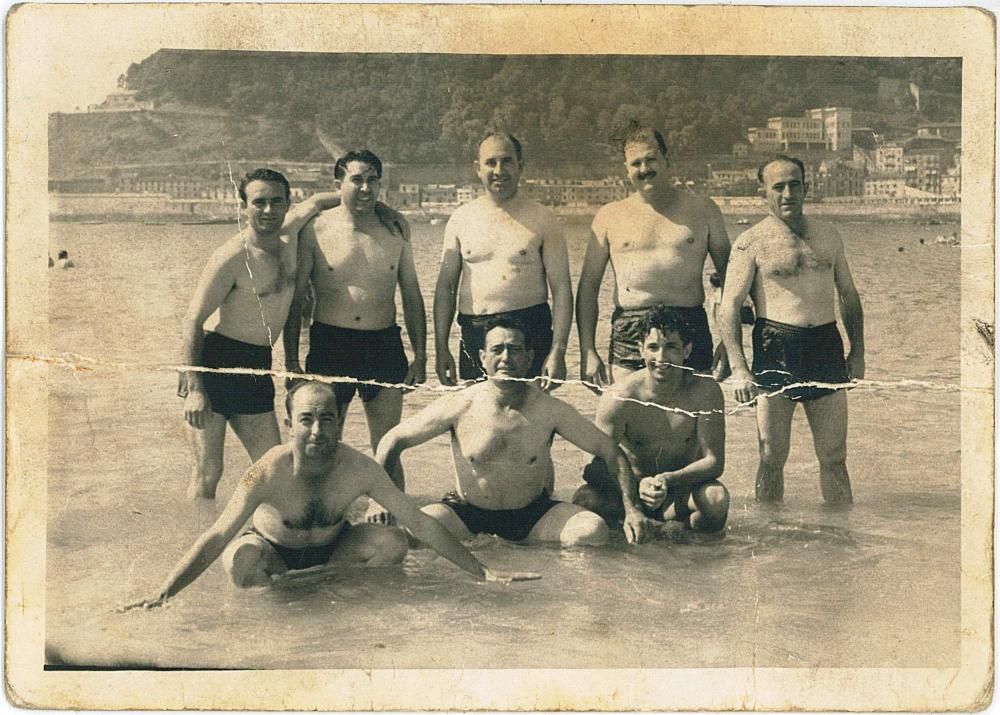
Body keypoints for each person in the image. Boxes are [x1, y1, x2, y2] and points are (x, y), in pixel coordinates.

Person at [120, 382, 538, 610]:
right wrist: (164, 593)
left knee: (392, 542)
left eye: (327, 419)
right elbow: (216, 536)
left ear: (339, 421)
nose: (318, 431)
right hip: (273, 553)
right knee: (240, 559)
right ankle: (274, 610)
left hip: (333, 553)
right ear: (289, 424)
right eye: (306, 420)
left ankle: (329, 595)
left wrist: (481, 572)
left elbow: (420, 522)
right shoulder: (266, 471)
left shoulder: (359, 468)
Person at [377, 318, 655, 546]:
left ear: (529, 357)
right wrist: (379, 502)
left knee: (592, 532)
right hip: (466, 515)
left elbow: (610, 451)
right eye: (497, 349)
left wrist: (632, 509)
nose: (506, 357)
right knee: (409, 534)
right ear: (483, 357)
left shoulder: (549, 409)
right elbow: (392, 440)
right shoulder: (459, 405)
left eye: (514, 349)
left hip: (533, 517)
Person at [283, 150, 425, 524]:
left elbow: (411, 295)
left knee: (389, 445)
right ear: (338, 183)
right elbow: (296, 300)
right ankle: (323, 523)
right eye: (356, 179)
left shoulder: (395, 231)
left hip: (383, 343)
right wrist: (291, 361)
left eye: (372, 180)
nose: (365, 188)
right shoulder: (315, 230)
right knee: (323, 443)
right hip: (330, 344)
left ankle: (393, 525)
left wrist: (421, 354)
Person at [720, 155, 865, 504]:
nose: (788, 194)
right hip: (776, 346)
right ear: (764, 192)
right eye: (778, 187)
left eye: (794, 185)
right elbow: (729, 307)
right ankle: (769, 530)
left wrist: (858, 351)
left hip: (826, 346)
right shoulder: (750, 242)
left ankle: (841, 530)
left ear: (806, 188)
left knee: (834, 456)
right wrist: (739, 368)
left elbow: (848, 295)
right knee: (772, 456)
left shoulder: (828, 235)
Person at [180, 169, 313, 500]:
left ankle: (258, 528)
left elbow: (320, 202)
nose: (268, 210)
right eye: (259, 202)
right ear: (243, 207)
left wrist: (292, 363)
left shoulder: (291, 244)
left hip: (257, 364)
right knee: (208, 472)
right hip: (215, 364)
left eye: (276, 202)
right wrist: (196, 389)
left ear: (288, 204)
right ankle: (200, 532)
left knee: (274, 471)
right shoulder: (232, 256)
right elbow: (192, 320)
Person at [576, 124, 731, 387]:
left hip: (689, 323)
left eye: (651, 159)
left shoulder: (703, 210)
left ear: (667, 160)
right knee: (629, 407)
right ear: (626, 169)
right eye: (636, 163)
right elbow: (588, 287)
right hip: (631, 327)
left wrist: (730, 343)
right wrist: (587, 351)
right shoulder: (609, 216)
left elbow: (731, 278)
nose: (644, 169)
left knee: (695, 409)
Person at [573, 306, 729, 533]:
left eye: (671, 347)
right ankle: (635, 534)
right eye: (653, 347)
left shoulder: (705, 392)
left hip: (676, 493)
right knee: (585, 500)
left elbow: (714, 462)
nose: (661, 358)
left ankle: (686, 544)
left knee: (716, 499)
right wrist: (636, 489)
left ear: (687, 350)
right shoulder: (621, 396)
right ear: (641, 349)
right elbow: (592, 467)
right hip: (629, 494)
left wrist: (668, 480)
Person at [433, 132, 571, 390]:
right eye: (491, 163)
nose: (499, 170)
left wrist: (558, 351)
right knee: (477, 411)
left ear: (521, 166)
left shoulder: (543, 218)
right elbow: (445, 288)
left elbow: (562, 289)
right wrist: (441, 348)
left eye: (507, 161)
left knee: (532, 411)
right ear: (478, 168)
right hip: (475, 330)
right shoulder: (461, 219)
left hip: (530, 328)